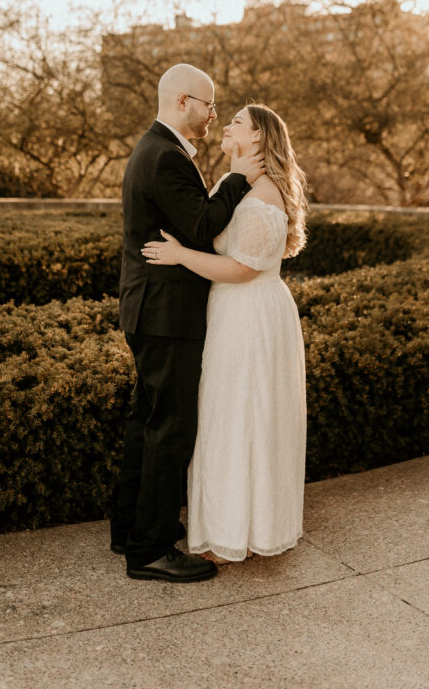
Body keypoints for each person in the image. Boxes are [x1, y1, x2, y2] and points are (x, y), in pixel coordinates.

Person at [110, 64, 265, 583]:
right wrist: (240, 179)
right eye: (208, 104)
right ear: (182, 101)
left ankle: (129, 529)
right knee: (170, 427)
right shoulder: (166, 157)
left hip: (151, 309)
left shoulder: (155, 150)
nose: (212, 115)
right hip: (166, 314)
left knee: (146, 421)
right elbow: (200, 226)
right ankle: (150, 550)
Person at [142, 103, 308, 564]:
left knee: (241, 416)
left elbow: (239, 269)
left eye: (236, 120)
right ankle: (227, 522)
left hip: (251, 314)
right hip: (232, 312)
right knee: (225, 413)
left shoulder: (262, 197)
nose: (226, 124)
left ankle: (240, 530)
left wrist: (179, 257)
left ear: (257, 138)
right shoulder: (239, 185)